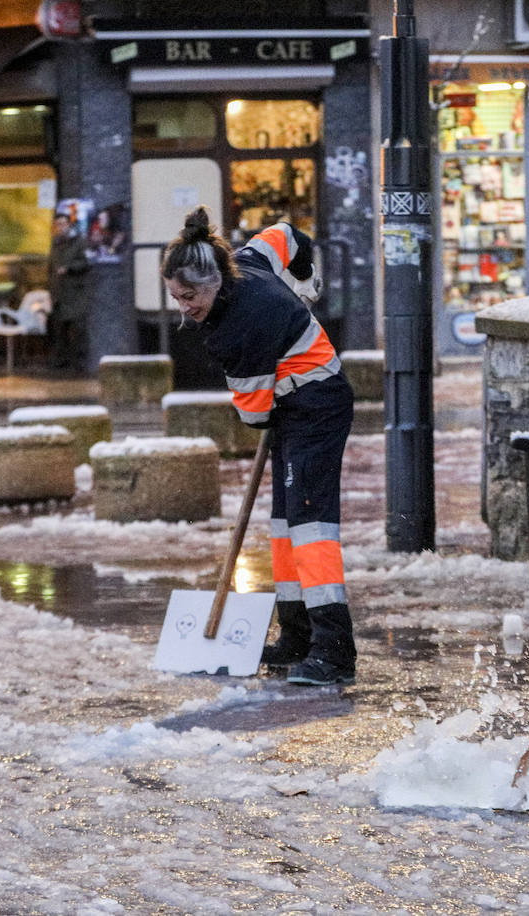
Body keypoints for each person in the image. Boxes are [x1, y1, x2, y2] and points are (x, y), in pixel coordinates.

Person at [161, 206, 356, 687]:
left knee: (311, 526)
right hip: (295, 406)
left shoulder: (237, 329)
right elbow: (290, 235)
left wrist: (298, 303)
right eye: (175, 296)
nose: (184, 306)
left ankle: (334, 651)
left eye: (190, 296)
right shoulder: (249, 257)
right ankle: (297, 635)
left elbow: (253, 415)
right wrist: (305, 280)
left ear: (214, 281)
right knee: (284, 525)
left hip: (317, 406)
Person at [47, 213, 89, 371]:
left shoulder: (78, 242)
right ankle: (61, 360)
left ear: (69, 225)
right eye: (58, 224)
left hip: (74, 292)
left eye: (63, 223)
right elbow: (50, 268)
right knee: (59, 329)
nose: (61, 227)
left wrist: (69, 268)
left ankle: (78, 361)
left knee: (76, 328)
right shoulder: (55, 244)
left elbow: (85, 262)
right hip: (58, 293)